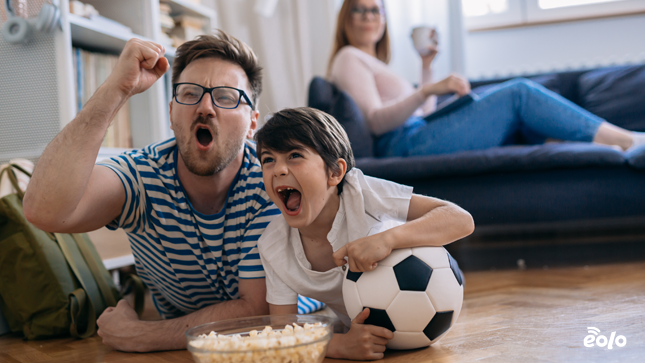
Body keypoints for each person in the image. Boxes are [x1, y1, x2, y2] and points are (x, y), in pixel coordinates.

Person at [23, 31, 299, 352]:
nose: (206, 107)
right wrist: (117, 89)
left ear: (252, 123)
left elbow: (259, 310)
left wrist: (144, 335)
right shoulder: (142, 177)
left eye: (225, 97)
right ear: (171, 113)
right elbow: (44, 211)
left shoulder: (271, 181)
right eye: (190, 93)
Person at [254, 107, 475, 360]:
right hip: (360, 335)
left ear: (335, 173)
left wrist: (386, 240)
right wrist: (338, 346)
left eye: (294, 155)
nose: (278, 169)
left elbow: (461, 220)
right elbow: (283, 331)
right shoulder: (272, 246)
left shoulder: (361, 194)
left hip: (427, 301)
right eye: (268, 159)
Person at [328, 0, 645, 157]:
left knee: (509, 107)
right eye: (359, 9)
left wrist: (426, 67)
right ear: (346, 18)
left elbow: (420, 115)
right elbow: (374, 123)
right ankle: (627, 141)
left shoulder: (373, 62)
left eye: (376, 10)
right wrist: (426, 90)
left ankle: (602, 148)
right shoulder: (348, 57)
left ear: (384, 19)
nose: (369, 16)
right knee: (518, 94)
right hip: (403, 146)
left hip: (415, 134)